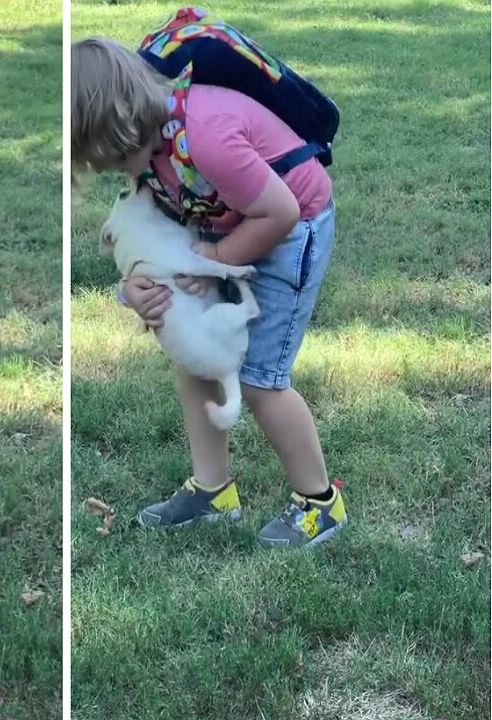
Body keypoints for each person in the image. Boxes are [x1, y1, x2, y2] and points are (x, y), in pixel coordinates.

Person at [71, 34, 347, 547]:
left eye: (106, 160)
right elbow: (148, 225)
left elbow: (281, 211)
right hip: (233, 219)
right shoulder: (150, 147)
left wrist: (219, 261)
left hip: (291, 226)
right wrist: (133, 289)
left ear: (122, 129)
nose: (109, 172)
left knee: (263, 378)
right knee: (194, 361)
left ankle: (320, 503)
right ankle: (213, 492)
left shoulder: (206, 132)